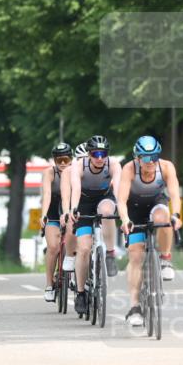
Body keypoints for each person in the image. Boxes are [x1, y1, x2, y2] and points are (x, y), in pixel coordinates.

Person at [116, 136, 183, 327]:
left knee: (164, 218)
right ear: (137, 158)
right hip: (134, 209)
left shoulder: (166, 167)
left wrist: (176, 215)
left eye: (154, 156)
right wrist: (125, 220)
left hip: (157, 204)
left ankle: (165, 260)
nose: (151, 161)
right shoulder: (129, 169)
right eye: (146, 158)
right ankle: (135, 307)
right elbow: (121, 200)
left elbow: (174, 195)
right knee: (136, 256)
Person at [63, 135, 122, 315]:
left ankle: (110, 253)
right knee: (84, 248)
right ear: (88, 154)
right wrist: (73, 209)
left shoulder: (113, 164)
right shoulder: (79, 166)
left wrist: (122, 209)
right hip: (84, 201)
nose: (99, 158)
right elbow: (76, 188)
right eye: (95, 153)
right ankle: (81, 293)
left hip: (105, 197)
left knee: (107, 211)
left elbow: (118, 189)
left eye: (103, 154)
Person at [40, 142, 75, 302]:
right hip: (53, 213)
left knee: (78, 242)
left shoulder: (76, 172)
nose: (62, 164)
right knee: (53, 247)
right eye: (59, 160)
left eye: (66, 160)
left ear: (72, 159)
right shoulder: (50, 173)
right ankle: (49, 284)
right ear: (54, 160)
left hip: (70, 213)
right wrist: (43, 215)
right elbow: (47, 194)